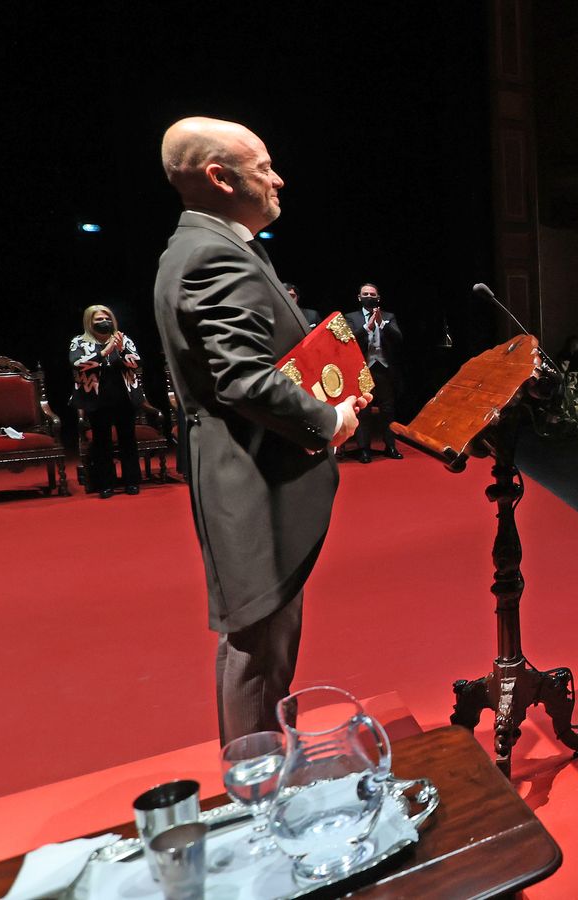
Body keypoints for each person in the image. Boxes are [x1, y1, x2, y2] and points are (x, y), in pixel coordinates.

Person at [153, 116, 367, 744]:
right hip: (250, 477)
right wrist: (329, 419)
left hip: (246, 467)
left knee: (263, 639)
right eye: (264, 166)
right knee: (259, 644)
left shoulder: (213, 244)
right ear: (220, 178)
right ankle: (258, 786)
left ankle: (267, 771)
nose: (278, 179)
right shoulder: (213, 254)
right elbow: (242, 378)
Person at [70, 304, 145, 498]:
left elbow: (136, 363)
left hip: (124, 397)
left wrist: (121, 350)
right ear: (90, 322)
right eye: (99, 320)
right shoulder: (79, 342)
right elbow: (77, 364)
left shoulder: (123, 339)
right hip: (97, 399)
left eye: (107, 319)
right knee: (102, 442)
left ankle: (132, 481)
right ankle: (105, 484)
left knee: (128, 440)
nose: (104, 322)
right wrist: (104, 352)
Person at [347, 283, 404, 462]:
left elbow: (398, 338)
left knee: (388, 410)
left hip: (384, 369)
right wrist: (367, 327)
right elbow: (348, 340)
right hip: (363, 370)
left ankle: (391, 446)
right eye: (365, 294)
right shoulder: (351, 317)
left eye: (372, 294)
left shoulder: (388, 316)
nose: (369, 297)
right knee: (364, 411)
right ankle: (364, 449)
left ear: (378, 297)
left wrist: (382, 324)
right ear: (359, 297)